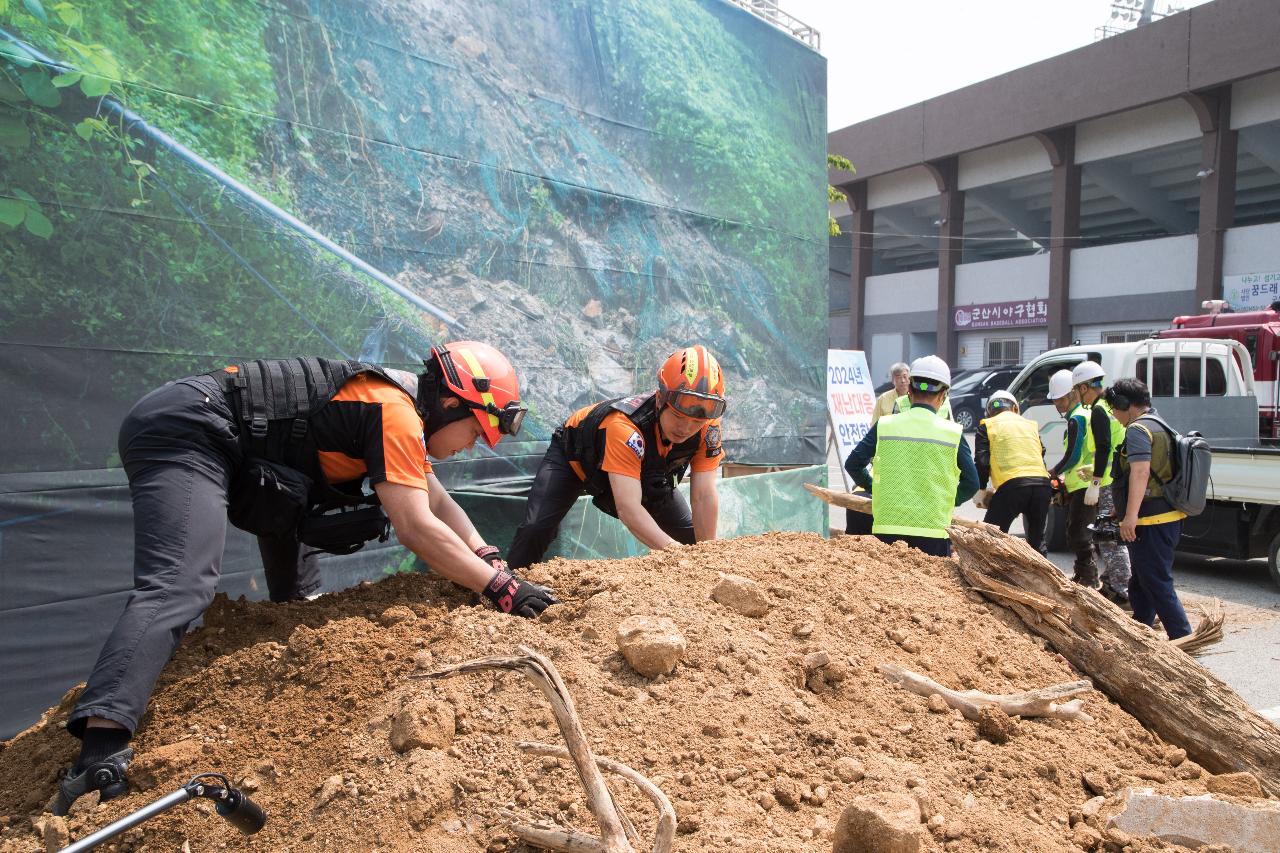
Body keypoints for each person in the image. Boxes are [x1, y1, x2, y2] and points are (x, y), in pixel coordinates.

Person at [54, 343, 558, 814]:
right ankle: (100, 753)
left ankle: (284, 603)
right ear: (451, 401)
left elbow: (438, 501)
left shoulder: (401, 408)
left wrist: (487, 557)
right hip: (189, 426)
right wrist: (502, 589)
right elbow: (417, 526)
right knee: (181, 583)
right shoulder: (394, 410)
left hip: (240, 443)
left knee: (294, 535)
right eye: (475, 432)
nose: (472, 446)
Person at [506, 345, 725, 570]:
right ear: (660, 399)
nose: (687, 427)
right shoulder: (625, 427)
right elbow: (629, 508)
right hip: (575, 460)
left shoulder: (708, 428)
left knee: (693, 541)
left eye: (697, 420)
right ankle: (509, 586)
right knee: (536, 528)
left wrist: (707, 560)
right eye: (679, 416)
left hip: (646, 470)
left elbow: (704, 495)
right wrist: (675, 554)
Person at [844, 355, 979, 557]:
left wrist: (873, 488)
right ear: (943, 396)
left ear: (909, 392)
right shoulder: (953, 433)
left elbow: (853, 464)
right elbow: (972, 483)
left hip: (887, 528)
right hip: (933, 531)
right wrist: (948, 500)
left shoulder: (885, 425)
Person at [1104, 378, 1193, 639]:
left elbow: (1141, 472)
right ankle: (1140, 633)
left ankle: (1184, 639)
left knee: (1156, 582)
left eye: (1114, 409)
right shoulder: (1160, 423)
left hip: (1150, 521)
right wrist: (1120, 510)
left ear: (1124, 404)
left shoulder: (1138, 430)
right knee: (1141, 582)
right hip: (1165, 515)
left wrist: (1129, 516)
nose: (1114, 415)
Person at [1071, 361, 1132, 607]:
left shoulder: (1098, 410)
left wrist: (1095, 482)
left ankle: (1124, 591)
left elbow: (1105, 445)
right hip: (1117, 478)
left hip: (1109, 484)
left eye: (1077, 389)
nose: (1076, 394)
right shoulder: (1113, 407)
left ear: (1085, 387)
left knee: (1109, 538)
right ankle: (1110, 585)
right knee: (1110, 535)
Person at [972, 390, 1052, 553]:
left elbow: (982, 461)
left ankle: (991, 576)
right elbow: (1041, 453)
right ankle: (1041, 577)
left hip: (1012, 487)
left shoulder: (988, 425)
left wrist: (980, 489)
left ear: (989, 412)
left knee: (990, 538)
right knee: (1037, 543)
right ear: (1015, 408)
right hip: (1042, 485)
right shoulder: (1030, 425)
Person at [1046, 368, 1099, 588]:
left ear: (1072, 394)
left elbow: (1074, 455)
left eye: (1060, 399)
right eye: (1055, 400)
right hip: (1084, 480)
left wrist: (1053, 472)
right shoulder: (1086, 415)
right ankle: (1084, 574)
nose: (1057, 404)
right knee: (1077, 529)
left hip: (1084, 484)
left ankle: (1088, 577)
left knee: (1078, 531)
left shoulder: (1077, 419)